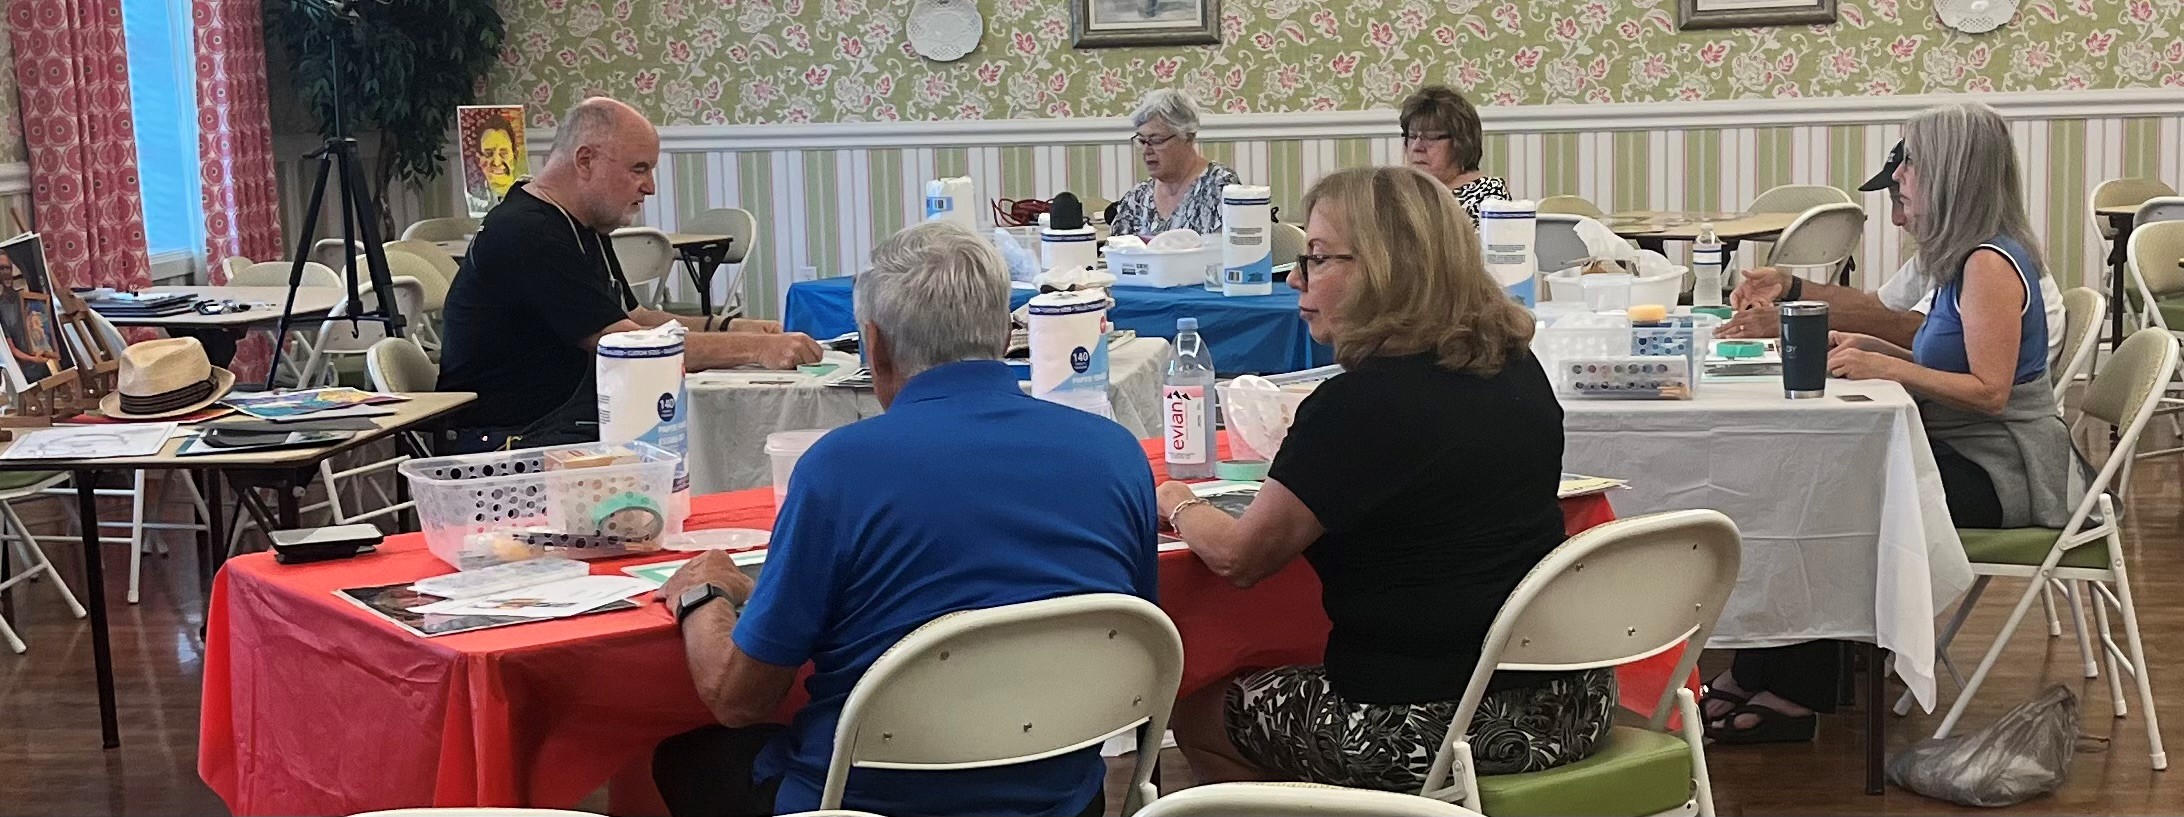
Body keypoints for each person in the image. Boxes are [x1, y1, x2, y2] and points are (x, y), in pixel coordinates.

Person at [649, 220, 1160, 817]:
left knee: (686, 757)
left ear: (875, 343)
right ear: (1002, 334)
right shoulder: (1116, 453)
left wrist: (702, 594)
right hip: (1061, 799)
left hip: (862, 803)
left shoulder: (838, 470)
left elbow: (738, 700)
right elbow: (1131, 634)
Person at [1157, 166, 1612, 791]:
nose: (1295, 276)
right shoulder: (1514, 365)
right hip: (1573, 702)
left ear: (1382, 269)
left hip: (1432, 726)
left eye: (1316, 258)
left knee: (1201, 713)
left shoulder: (1358, 408)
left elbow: (1241, 559)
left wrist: (1176, 499)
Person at [1704, 102, 2075, 744]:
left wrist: (1895, 370)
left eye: (1910, 162)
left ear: (1949, 173)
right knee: (1818, 486)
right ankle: (1769, 670)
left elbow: (1989, 392)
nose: (1899, 175)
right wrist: (1876, 352)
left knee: (1834, 499)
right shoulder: (1964, 257)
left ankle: (1796, 690)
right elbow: (1943, 359)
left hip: (2008, 472)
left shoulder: (1988, 263)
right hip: (1972, 449)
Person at [436, 97, 821, 452]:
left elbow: (634, 318)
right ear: (585, 161)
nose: (650, 187)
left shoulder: (576, 222)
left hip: (556, 430)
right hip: (507, 447)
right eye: (640, 168)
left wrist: (732, 328)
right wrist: (757, 349)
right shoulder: (527, 233)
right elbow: (626, 346)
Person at [1719, 139, 2067, 375]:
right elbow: (1879, 308)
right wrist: (1789, 286)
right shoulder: (1950, 247)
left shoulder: (1986, 262)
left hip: (1983, 435)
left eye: (1903, 199)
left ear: (1944, 189)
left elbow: (1913, 331)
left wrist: (1795, 322)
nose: (1897, 219)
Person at [1109, 90, 1241, 239]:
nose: (1146, 150)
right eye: (1142, 141)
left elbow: (1237, 252)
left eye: (1156, 140)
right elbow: (1115, 254)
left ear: (1187, 137)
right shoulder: (1138, 198)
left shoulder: (1220, 186)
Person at [1398, 86, 1510, 221]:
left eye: (1431, 137)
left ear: (1460, 143)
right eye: (1412, 136)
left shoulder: (1488, 197)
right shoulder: (1404, 193)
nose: (1416, 147)